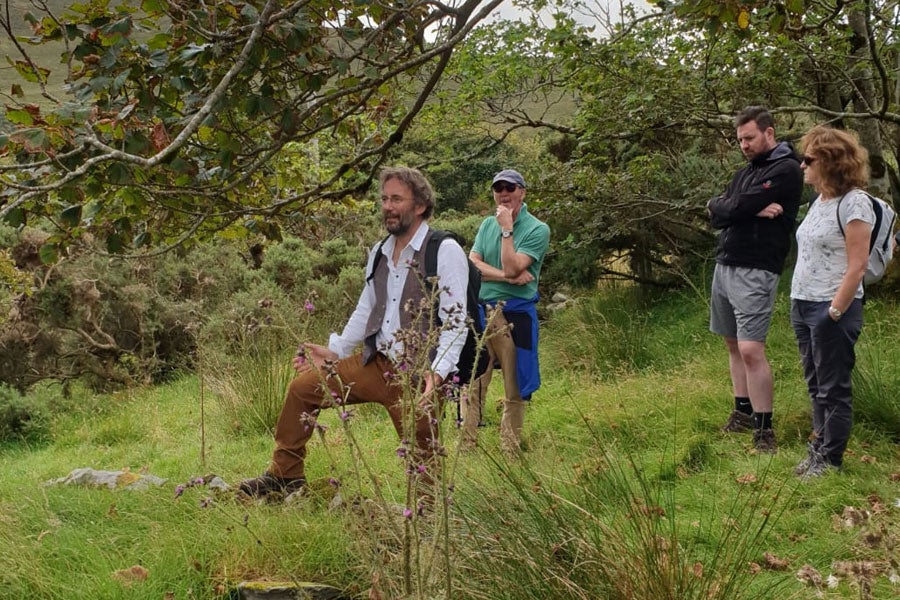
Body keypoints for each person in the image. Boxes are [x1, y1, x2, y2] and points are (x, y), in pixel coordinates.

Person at [239, 166, 469, 498]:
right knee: (303, 389)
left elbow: (455, 320)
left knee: (423, 461)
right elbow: (368, 306)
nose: (388, 206)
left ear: (420, 205)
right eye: (385, 198)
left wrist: (438, 375)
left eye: (397, 199)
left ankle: (428, 519)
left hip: (419, 377)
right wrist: (337, 350)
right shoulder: (380, 251)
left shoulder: (444, 250)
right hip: (376, 364)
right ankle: (285, 475)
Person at [707, 106, 803, 453]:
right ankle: (742, 411)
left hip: (757, 266)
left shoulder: (786, 169)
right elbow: (716, 211)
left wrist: (737, 207)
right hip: (726, 263)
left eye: (749, 138)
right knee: (732, 343)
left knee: (751, 348)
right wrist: (750, 207)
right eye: (740, 140)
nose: (744, 145)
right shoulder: (745, 173)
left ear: (769, 133)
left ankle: (765, 430)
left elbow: (729, 209)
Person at [790, 126, 874, 478]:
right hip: (803, 304)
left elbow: (858, 266)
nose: (802, 166)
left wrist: (834, 311)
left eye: (808, 159)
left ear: (829, 161)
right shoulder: (818, 201)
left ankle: (832, 459)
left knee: (833, 387)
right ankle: (818, 449)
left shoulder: (856, 202)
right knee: (815, 384)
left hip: (832, 307)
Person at [460, 169, 550, 454]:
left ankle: (510, 448)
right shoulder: (487, 224)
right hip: (482, 311)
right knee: (473, 380)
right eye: (498, 188)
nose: (503, 193)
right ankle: (467, 447)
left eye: (510, 188)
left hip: (515, 315)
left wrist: (507, 229)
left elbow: (513, 265)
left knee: (515, 385)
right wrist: (505, 277)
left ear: (522, 191)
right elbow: (472, 264)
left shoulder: (537, 229)